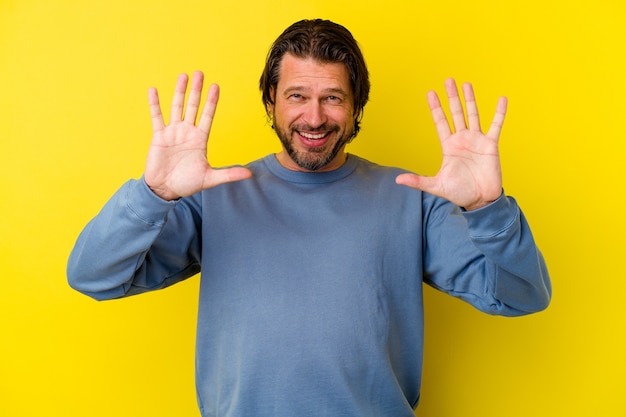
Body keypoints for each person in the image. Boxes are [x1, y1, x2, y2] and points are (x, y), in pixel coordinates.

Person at [67, 18, 551, 417]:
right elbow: (92, 275)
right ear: (271, 102)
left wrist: (488, 209)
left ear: (356, 105)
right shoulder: (214, 196)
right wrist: (154, 195)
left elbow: (523, 295)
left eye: (333, 98)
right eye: (297, 95)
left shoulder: (412, 200)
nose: (314, 118)